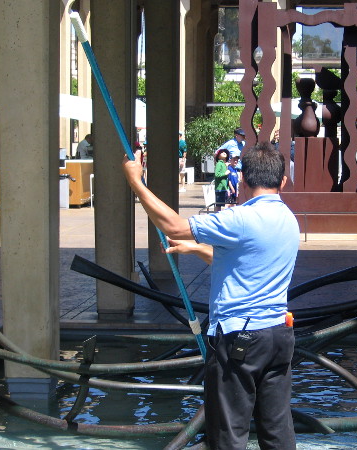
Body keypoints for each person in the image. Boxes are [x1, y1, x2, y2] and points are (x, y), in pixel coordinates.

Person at [121, 142, 299, 449]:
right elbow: (246, 262)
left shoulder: (240, 219)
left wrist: (136, 182)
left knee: (227, 433)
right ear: (283, 181)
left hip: (240, 339)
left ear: (242, 179)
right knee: (277, 430)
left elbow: (174, 227)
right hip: (278, 336)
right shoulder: (288, 220)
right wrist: (200, 249)